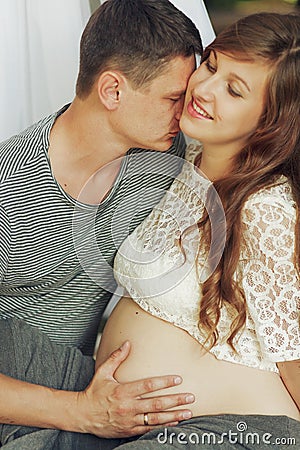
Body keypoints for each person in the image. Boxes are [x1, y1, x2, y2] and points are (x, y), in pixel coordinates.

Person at [0, 1, 204, 448]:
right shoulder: (8, 186)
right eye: (173, 98)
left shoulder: (164, 156)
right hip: (23, 399)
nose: (184, 113)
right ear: (112, 90)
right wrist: (80, 412)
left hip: (95, 390)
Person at [95, 12, 300, 449]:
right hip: (142, 425)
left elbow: (294, 358)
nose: (202, 89)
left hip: (240, 433)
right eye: (210, 65)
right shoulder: (188, 164)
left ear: (271, 122)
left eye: (233, 89)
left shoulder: (264, 211)